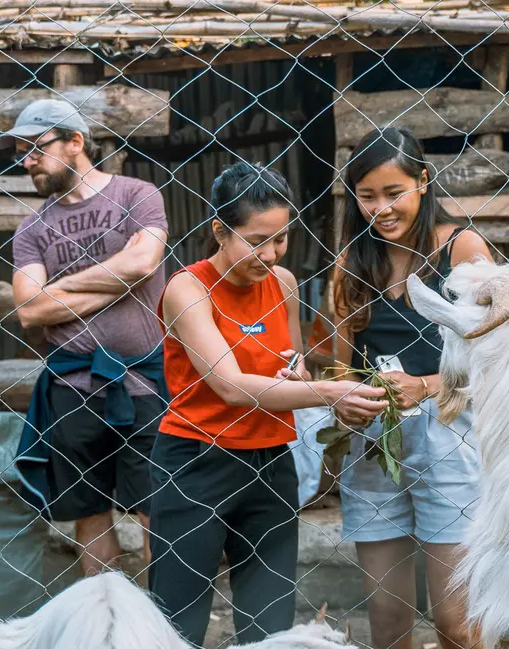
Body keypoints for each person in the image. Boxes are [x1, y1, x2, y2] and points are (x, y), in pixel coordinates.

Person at [150, 162, 388, 646]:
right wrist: (327, 393)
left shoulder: (282, 282)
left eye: (281, 239)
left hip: (271, 461)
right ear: (219, 230)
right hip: (198, 460)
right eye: (256, 240)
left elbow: (293, 364)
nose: (272, 253)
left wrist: (304, 380)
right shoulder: (187, 288)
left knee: (270, 625)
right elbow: (231, 386)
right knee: (178, 625)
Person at [328, 127, 492, 649]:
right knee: (387, 618)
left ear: (423, 181)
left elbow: (498, 359)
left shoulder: (461, 247)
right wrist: (346, 404)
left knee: (455, 620)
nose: (382, 208)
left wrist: (423, 385)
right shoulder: (353, 262)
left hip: (453, 433)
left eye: (394, 192)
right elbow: (341, 368)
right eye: (367, 196)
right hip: (377, 445)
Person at [5, 98, 169, 577]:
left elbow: (144, 263)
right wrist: (119, 280)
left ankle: (165, 621)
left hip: (145, 383)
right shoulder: (32, 228)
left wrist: (60, 288)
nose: (26, 162)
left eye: (35, 148)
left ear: (75, 142)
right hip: (73, 388)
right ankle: (107, 623)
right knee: (89, 511)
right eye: (20, 152)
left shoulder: (138, 195)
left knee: (155, 509)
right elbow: (30, 309)